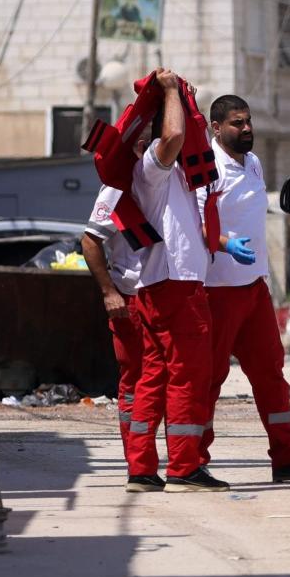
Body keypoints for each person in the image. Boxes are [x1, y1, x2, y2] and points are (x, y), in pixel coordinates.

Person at [197, 94, 290, 482]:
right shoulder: (206, 168)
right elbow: (194, 225)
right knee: (210, 379)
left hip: (254, 288)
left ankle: (288, 458)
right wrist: (224, 243)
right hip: (218, 289)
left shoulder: (252, 163)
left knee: (271, 374)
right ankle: (192, 460)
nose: (247, 128)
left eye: (248, 120)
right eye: (237, 123)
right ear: (216, 129)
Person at [127, 68, 229, 492]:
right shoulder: (155, 164)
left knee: (155, 374)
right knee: (190, 372)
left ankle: (142, 468)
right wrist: (171, 92)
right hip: (175, 283)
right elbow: (170, 137)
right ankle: (185, 466)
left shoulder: (181, 174)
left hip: (163, 283)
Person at [80, 186, 151, 491]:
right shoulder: (118, 188)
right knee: (136, 381)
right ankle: (138, 461)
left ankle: (175, 462)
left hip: (165, 294)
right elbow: (90, 241)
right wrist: (109, 292)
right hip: (131, 298)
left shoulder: (169, 178)